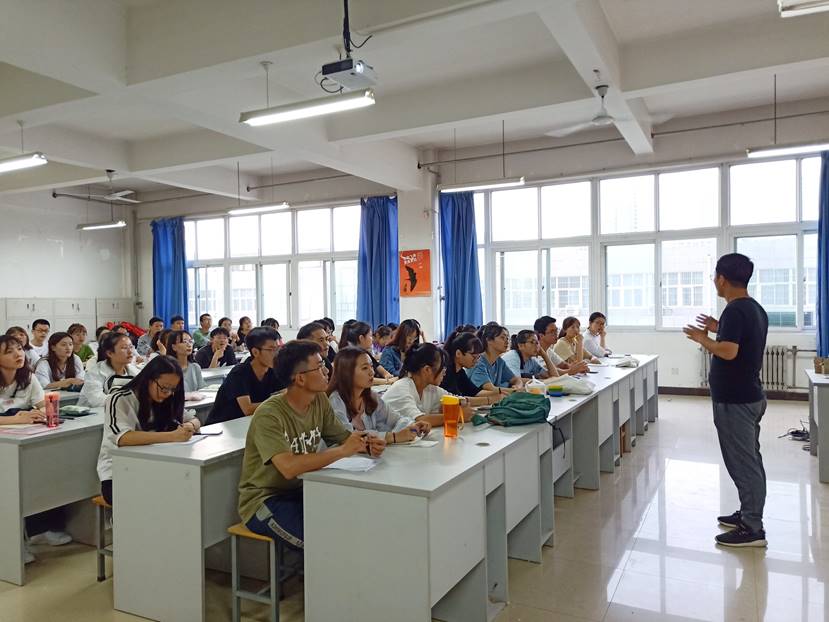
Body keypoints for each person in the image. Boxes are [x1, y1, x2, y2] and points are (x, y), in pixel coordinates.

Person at [237, 339, 378, 549]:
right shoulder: (269, 414)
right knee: (321, 543)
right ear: (300, 378)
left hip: (303, 489)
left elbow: (343, 437)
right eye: (320, 367)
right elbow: (288, 467)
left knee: (354, 519)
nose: (327, 371)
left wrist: (367, 443)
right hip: (265, 500)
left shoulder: (319, 400)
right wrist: (342, 451)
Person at [682, 253, 769, 548]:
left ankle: (752, 527)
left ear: (722, 279)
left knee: (744, 463)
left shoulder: (735, 311)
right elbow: (741, 338)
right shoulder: (752, 308)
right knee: (750, 458)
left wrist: (701, 338)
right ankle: (748, 511)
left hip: (736, 400)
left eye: (714, 276)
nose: (714, 281)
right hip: (748, 395)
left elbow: (729, 351)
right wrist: (717, 327)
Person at [0, 335, 73, 559]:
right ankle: (13, 547)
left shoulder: (28, 377)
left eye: (19, 349)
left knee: (45, 475)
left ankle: (39, 529)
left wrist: (42, 413)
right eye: (9, 351)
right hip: (5, 444)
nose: (18, 354)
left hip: (25, 438)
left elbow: (43, 403)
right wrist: (14, 419)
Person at [97, 356, 200, 505]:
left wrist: (191, 426)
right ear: (149, 379)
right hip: (118, 472)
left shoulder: (167, 399)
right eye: (164, 387)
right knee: (162, 496)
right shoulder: (120, 398)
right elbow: (123, 438)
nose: (168, 393)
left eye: (173, 389)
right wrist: (172, 436)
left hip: (156, 465)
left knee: (185, 490)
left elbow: (194, 419)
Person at [327, 347, 430, 442]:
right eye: (365, 368)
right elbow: (347, 437)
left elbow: (397, 419)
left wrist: (413, 426)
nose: (371, 372)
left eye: (371, 366)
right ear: (347, 372)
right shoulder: (336, 400)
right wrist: (393, 437)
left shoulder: (371, 396)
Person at [206, 327, 285, 424]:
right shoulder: (239, 373)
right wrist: (279, 403)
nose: (277, 354)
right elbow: (248, 409)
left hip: (252, 421)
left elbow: (287, 396)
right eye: (272, 349)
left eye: (278, 349)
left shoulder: (273, 370)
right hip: (224, 425)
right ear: (255, 352)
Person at [382, 343, 473, 427]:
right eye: (442, 368)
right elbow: (419, 421)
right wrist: (456, 415)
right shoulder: (401, 389)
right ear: (427, 370)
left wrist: (462, 403)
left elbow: (454, 399)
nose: (444, 373)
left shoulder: (430, 388)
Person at [78, 332, 140, 408]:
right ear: (110, 353)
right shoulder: (95, 373)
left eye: (131, 347)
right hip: (92, 412)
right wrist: (128, 401)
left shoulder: (134, 371)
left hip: (121, 411)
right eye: (124, 348)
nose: (130, 351)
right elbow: (97, 400)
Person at [440, 332, 500, 402]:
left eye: (478, 357)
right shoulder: (447, 371)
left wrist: (500, 393)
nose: (476, 361)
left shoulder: (460, 371)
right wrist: (488, 400)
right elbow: (457, 400)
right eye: (474, 357)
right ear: (458, 353)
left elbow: (474, 392)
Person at [469, 324, 522, 392]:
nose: (507, 341)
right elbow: (490, 389)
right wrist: (514, 390)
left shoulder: (499, 362)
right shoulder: (478, 362)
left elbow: (516, 379)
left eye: (507, 338)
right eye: (502, 338)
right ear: (489, 340)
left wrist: (518, 386)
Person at [165, 330, 206, 398]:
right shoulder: (167, 369)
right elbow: (166, 394)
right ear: (174, 347)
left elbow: (202, 389)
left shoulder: (195, 367)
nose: (189, 345)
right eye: (184, 342)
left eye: (190, 341)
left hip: (196, 403)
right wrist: (189, 396)